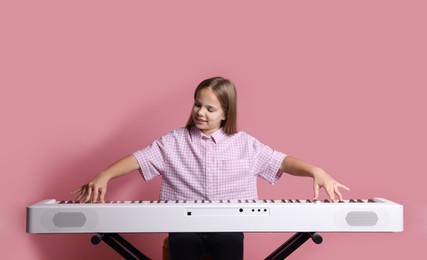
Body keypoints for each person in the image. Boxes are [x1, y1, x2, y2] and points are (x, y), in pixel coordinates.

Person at [73, 76, 349, 260]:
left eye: (210, 109)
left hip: (228, 225)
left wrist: (316, 170)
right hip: (184, 226)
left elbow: (282, 161)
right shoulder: (174, 141)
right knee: (184, 243)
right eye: (197, 105)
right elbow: (139, 159)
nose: (200, 113)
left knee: (228, 241)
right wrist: (105, 174)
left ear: (225, 113)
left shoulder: (245, 144)